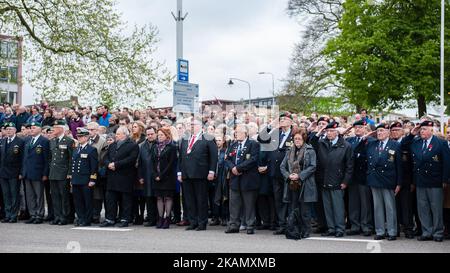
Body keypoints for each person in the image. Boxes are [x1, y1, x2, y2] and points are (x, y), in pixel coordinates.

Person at [404, 121, 450, 242]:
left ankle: (438, 232)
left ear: (431, 130)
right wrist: (411, 134)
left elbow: (446, 163)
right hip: (420, 180)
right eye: (421, 129)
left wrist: (445, 179)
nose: (422, 131)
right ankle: (426, 231)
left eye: (424, 129)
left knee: (436, 208)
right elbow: (403, 146)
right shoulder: (416, 142)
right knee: (423, 208)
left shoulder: (441, 143)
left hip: (435, 180)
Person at [360, 123, 402, 240]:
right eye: (378, 131)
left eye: (382, 131)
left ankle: (392, 231)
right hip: (374, 179)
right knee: (377, 207)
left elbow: (399, 166)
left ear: (388, 132)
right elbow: (359, 149)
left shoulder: (395, 145)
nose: (379, 133)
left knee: (390, 207)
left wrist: (399, 183)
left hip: (388, 180)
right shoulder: (372, 144)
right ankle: (380, 231)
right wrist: (368, 135)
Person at [311, 121, 353, 237]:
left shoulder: (345, 145)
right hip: (324, 179)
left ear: (337, 132)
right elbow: (311, 143)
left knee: (338, 207)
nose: (329, 133)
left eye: (332, 131)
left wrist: (345, 181)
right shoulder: (322, 143)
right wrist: (319, 132)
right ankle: (331, 228)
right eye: (327, 131)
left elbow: (349, 166)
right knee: (327, 207)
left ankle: (339, 229)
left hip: (338, 180)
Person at [177, 118, 218, 231]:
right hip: (186, 174)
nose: (191, 126)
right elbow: (181, 157)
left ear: (200, 126)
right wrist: (180, 172)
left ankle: (202, 222)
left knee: (201, 199)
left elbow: (213, 156)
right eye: (190, 124)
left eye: (193, 124)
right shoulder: (185, 139)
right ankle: (192, 221)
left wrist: (211, 171)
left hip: (200, 173)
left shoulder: (208, 138)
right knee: (189, 200)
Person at [257, 112, 293, 235]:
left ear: (291, 122)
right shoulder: (276, 132)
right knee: (278, 199)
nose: (282, 121)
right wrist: (271, 125)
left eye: (285, 119)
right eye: (281, 119)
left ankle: (291, 224)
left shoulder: (295, 134)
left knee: (290, 199)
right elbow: (261, 138)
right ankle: (281, 224)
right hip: (275, 172)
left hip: (289, 173)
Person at [280, 130, 317, 238]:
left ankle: (306, 230)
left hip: (305, 183)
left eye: (299, 139)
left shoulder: (310, 150)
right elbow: (282, 166)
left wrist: (300, 176)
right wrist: (288, 175)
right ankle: (295, 229)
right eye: (295, 139)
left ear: (303, 139)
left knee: (305, 209)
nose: (297, 141)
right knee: (293, 208)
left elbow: (313, 166)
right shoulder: (289, 150)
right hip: (292, 183)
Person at [224, 124, 260, 235]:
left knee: (249, 203)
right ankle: (233, 224)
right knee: (234, 203)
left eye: (239, 132)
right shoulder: (233, 145)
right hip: (234, 178)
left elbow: (253, 159)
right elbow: (227, 158)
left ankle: (250, 225)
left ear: (246, 133)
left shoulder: (253, 144)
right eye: (236, 132)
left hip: (248, 178)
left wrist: (238, 168)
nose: (236, 133)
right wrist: (232, 168)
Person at [101, 126, 139, 228]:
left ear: (124, 135)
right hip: (112, 176)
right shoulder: (113, 145)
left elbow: (131, 159)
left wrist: (116, 165)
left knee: (125, 200)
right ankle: (110, 219)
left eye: (118, 134)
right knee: (110, 199)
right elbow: (105, 157)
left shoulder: (133, 145)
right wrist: (108, 164)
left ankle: (125, 219)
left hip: (125, 176)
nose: (116, 136)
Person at [345, 120, 374, 236]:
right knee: (353, 203)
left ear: (365, 128)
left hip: (364, 176)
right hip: (352, 176)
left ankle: (366, 226)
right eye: (356, 127)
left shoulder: (370, 140)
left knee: (365, 203)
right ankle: (355, 225)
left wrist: (363, 140)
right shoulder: (350, 140)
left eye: (360, 127)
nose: (358, 129)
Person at [390, 121, 416, 239]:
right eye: (393, 130)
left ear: (402, 131)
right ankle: (395, 228)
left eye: (397, 130)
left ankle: (408, 229)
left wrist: (412, 182)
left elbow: (411, 165)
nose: (395, 132)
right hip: (391, 181)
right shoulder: (389, 144)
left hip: (405, 181)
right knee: (394, 206)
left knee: (406, 206)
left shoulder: (407, 144)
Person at [22, 122, 50, 224]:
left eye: (34, 128)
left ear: (39, 129)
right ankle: (33, 214)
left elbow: (46, 159)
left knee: (39, 195)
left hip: (38, 173)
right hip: (27, 172)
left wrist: (45, 173)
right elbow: (24, 158)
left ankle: (39, 215)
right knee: (30, 196)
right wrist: (22, 171)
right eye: (30, 128)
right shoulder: (27, 140)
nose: (31, 129)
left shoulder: (44, 141)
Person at [70, 128, 98, 226]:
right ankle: (80, 218)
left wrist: (92, 179)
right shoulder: (76, 149)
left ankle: (87, 219)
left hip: (86, 180)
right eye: (78, 136)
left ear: (86, 137)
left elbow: (94, 167)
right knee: (78, 201)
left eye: (81, 136)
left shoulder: (91, 149)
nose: (79, 138)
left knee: (87, 201)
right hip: (76, 179)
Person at [48, 119, 74, 225]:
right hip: (53, 173)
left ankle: (65, 216)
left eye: (55, 127)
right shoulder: (52, 141)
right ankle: (57, 216)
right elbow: (50, 158)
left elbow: (71, 159)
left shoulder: (69, 141)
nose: (53, 130)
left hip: (63, 173)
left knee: (64, 196)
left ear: (61, 128)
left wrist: (69, 173)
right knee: (54, 196)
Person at [151, 128, 177, 229]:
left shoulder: (171, 147)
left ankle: (167, 218)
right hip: (156, 176)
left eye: (162, 135)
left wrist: (161, 175)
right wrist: (155, 174)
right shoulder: (155, 146)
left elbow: (171, 163)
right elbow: (152, 161)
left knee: (167, 198)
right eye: (159, 135)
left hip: (167, 177)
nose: (159, 137)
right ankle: (160, 218)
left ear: (167, 136)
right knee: (159, 197)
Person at [0, 122, 25, 223]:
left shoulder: (20, 141)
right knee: (6, 195)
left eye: (10, 129)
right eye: (7, 129)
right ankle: (8, 214)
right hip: (3, 173)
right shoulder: (3, 141)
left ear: (15, 130)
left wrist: (21, 172)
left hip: (14, 172)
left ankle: (14, 215)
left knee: (14, 194)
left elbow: (23, 159)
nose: (8, 131)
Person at [87, 122, 107, 224]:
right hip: (86, 172)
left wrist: (96, 171)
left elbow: (102, 158)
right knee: (88, 195)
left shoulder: (102, 141)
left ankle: (96, 215)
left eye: (92, 130)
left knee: (97, 196)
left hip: (97, 172)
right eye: (88, 130)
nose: (89, 132)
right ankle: (89, 215)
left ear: (97, 130)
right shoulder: (86, 140)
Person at [138, 126, 158, 227]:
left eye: (152, 134)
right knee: (148, 198)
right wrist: (140, 176)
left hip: (157, 176)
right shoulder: (142, 146)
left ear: (156, 134)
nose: (150, 136)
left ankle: (159, 219)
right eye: (148, 134)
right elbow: (140, 163)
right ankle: (151, 219)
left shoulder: (159, 144)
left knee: (158, 198)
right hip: (146, 175)